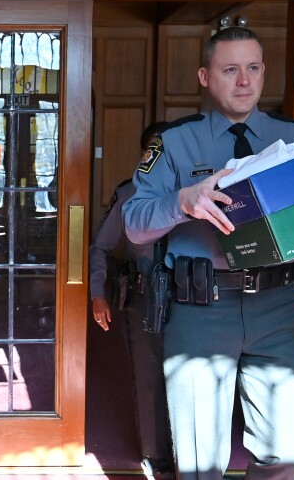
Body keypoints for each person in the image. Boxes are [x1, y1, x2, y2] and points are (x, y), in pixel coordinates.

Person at [122, 27, 294, 480]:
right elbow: (135, 223)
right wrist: (182, 202)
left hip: (276, 307)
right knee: (201, 463)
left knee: (291, 450)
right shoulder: (175, 143)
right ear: (204, 75)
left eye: (253, 68)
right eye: (230, 69)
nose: (244, 81)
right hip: (201, 308)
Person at [88, 122, 174, 478]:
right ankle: (158, 459)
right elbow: (100, 247)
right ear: (143, 156)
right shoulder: (128, 194)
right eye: (152, 152)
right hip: (145, 298)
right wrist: (97, 294)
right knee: (150, 378)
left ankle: (196, 455)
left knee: (193, 378)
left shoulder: (198, 191)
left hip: (196, 300)